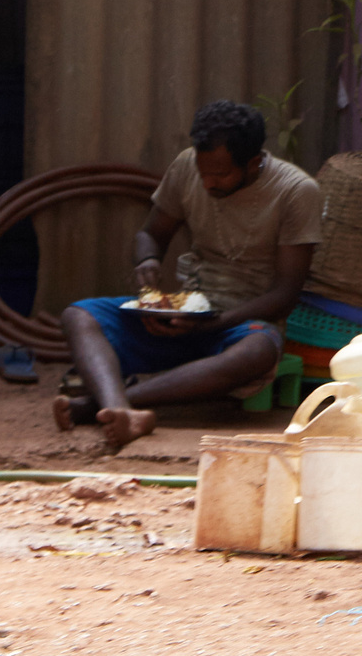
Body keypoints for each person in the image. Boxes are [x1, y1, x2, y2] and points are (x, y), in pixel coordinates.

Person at [54, 100, 325, 448]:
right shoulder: (187, 165)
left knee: (257, 351)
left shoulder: (296, 192)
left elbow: (285, 295)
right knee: (79, 315)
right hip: (188, 308)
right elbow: (150, 234)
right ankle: (120, 409)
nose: (207, 182)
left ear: (254, 162)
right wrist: (147, 261)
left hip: (244, 322)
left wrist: (214, 323)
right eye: (202, 171)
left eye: (221, 174)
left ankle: (103, 405)